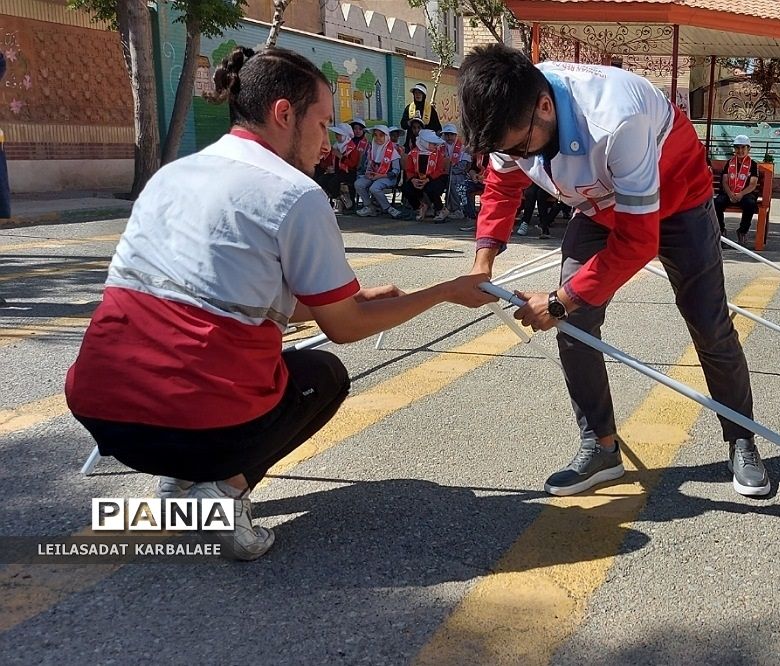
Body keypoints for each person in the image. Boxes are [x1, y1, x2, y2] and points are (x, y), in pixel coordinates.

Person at [64, 46, 495, 561]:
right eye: (322, 123)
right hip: (197, 422)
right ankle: (221, 494)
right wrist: (445, 290)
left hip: (102, 413)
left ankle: (176, 491)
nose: (327, 143)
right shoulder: (294, 192)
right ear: (283, 114)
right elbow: (347, 327)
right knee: (324, 376)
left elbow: (227, 298)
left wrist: (346, 300)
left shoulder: (174, 175)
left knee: (204, 364)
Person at [458, 44, 769, 499]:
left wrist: (561, 299)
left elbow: (638, 241)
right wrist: (483, 259)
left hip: (678, 202)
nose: (519, 155)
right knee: (575, 326)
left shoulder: (615, 119)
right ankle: (601, 447)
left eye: (522, 145)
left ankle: (741, 436)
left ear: (545, 106)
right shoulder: (509, 112)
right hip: (598, 206)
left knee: (708, 322)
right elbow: (503, 183)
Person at [714, 134, 759, 245]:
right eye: (737, 148)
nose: (740, 151)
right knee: (717, 203)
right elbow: (724, 181)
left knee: (750, 204)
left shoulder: (753, 165)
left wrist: (740, 194)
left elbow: (753, 184)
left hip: (745, 194)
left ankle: (742, 231)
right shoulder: (729, 163)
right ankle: (721, 230)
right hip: (729, 193)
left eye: (743, 147)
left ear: (748, 149)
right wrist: (730, 194)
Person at [355, 125, 403, 218]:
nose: (378, 138)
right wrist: (368, 173)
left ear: (386, 137)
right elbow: (368, 165)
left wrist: (380, 176)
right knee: (358, 184)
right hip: (374, 176)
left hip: (387, 178)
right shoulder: (372, 149)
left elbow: (395, 172)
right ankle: (369, 207)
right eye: (375, 135)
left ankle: (388, 208)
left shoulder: (392, 151)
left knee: (374, 188)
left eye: (381, 135)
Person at [402, 129, 449, 222]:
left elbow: (440, 170)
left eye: (436, 144)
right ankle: (421, 207)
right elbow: (409, 170)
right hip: (418, 178)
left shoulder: (438, 154)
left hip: (436, 177)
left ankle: (441, 209)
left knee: (431, 188)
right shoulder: (413, 153)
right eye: (433, 143)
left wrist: (427, 179)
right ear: (424, 142)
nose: (436, 146)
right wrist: (412, 180)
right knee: (406, 188)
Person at [440, 122, 471, 221]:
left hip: (459, 174)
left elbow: (464, 166)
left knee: (452, 180)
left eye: (451, 134)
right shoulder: (440, 146)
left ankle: (457, 209)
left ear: (455, 135)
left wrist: (451, 170)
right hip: (444, 172)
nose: (449, 137)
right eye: (446, 134)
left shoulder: (462, 147)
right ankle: (443, 208)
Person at [400, 82, 442, 149]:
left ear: (424, 95)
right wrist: (410, 122)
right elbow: (403, 124)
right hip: (411, 142)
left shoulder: (431, 109)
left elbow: (437, 128)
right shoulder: (409, 108)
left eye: (420, 93)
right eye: (416, 93)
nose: (418, 95)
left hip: (426, 144)